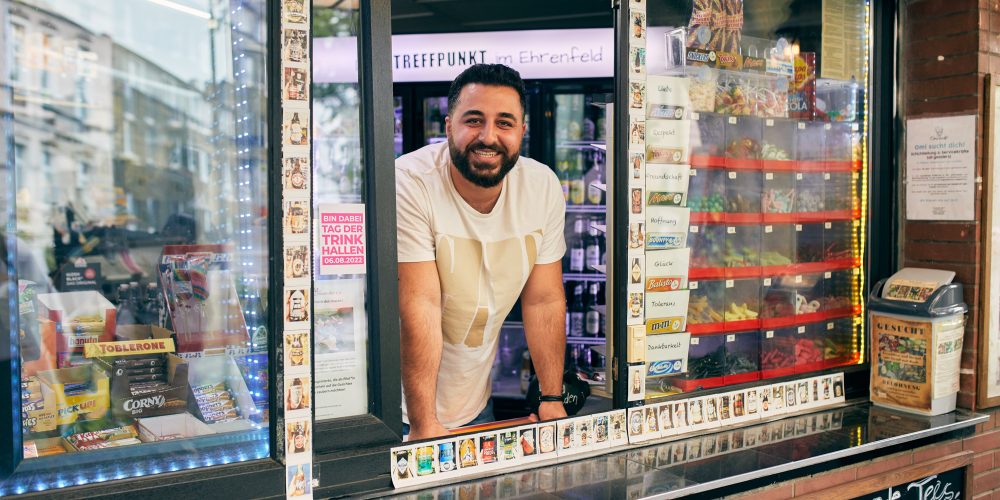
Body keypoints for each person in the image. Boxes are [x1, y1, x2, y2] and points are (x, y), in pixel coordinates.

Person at [396, 64, 568, 440]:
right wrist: (425, 425)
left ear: (523, 131)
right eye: (473, 120)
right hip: (400, 414)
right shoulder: (409, 182)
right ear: (447, 126)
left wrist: (551, 397)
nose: (488, 136)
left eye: (504, 123)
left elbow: (543, 300)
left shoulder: (541, 187)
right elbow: (420, 304)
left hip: (475, 406)